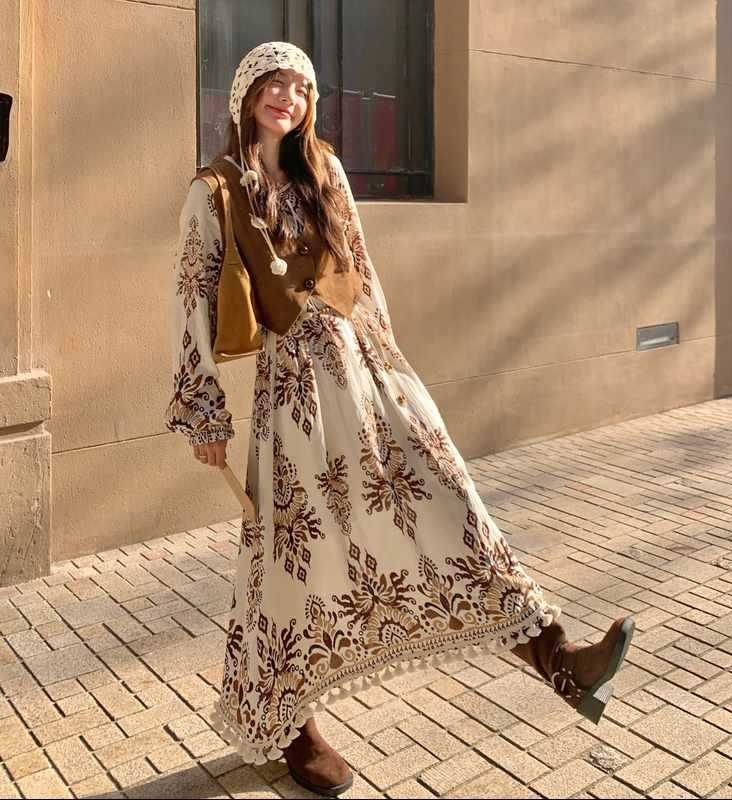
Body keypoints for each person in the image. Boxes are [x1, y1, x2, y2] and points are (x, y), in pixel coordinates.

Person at [164, 41, 635, 798]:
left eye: (300, 86)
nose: (288, 96)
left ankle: (559, 659)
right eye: (274, 83)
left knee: (452, 504)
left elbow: (363, 272)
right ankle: (290, 725)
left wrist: (394, 367)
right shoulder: (215, 190)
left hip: (366, 371)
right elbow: (191, 297)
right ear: (246, 94)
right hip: (293, 394)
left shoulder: (326, 170)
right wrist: (203, 413)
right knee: (292, 558)